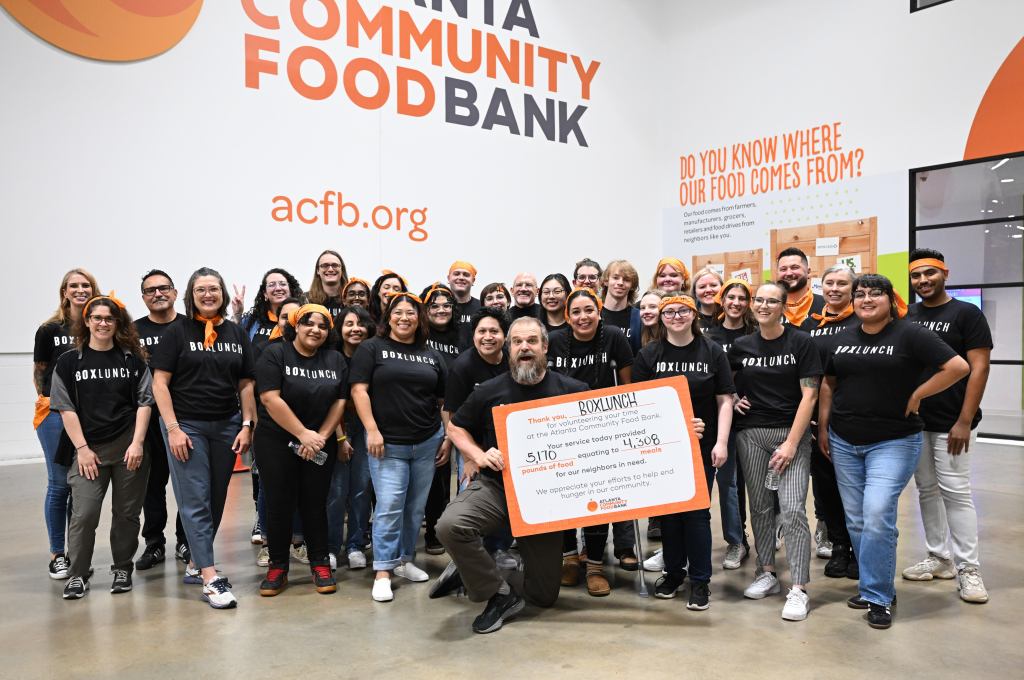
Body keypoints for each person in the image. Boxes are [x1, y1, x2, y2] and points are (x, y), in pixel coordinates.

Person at [818, 273, 968, 629]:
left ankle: (879, 595)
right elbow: (828, 383)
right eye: (860, 294)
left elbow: (958, 367)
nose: (866, 300)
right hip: (844, 439)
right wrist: (823, 428)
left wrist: (918, 394)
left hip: (894, 440)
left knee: (877, 512)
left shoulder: (910, 333)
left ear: (890, 300)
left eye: (875, 294)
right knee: (857, 519)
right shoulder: (840, 339)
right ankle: (876, 583)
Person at [436, 317, 589, 633]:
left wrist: (683, 427)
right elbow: (456, 427)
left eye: (532, 341)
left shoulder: (574, 390)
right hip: (497, 487)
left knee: (544, 597)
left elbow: (608, 434)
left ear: (545, 347)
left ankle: (476, 571)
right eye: (517, 342)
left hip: (547, 498)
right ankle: (498, 592)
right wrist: (478, 455)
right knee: (451, 526)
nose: (524, 348)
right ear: (509, 350)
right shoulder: (489, 391)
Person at [150, 267, 257, 610]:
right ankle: (211, 578)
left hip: (227, 426)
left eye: (213, 289)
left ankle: (197, 562)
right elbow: (159, 383)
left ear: (223, 294)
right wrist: (173, 429)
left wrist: (247, 425)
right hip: (188, 427)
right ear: (191, 295)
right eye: (201, 290)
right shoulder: (177, 332)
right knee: (195, 498)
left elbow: (245, 384)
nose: (208, 295)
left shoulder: (235, 333)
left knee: (215, 496)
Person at [903, 249, 992, 603]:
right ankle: (940, 558)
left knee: (956, 491)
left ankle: (969, 568)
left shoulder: (967, 314)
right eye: (916, 276)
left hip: (954, 422)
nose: (923, 281)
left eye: (930, 273)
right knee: (926, 488)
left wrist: (965, 421)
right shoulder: (908, 316)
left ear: (945, 274)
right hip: (917, 421)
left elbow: (979, 367)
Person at [50, 294, 153, 599]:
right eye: (97, 318)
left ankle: (122, 567)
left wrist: (137, 443)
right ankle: (78, 573)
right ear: (87, 321)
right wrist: (81, 448)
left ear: (117, 323)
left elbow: (145, 402)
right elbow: (66, 408)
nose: (103, 323)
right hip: (87, 451)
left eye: (109, 318)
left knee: (126, 513)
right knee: (85, 514)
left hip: (128, 448)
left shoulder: (132, 359)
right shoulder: (69, 361)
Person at [349, 291, 449, 602]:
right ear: (388, 316)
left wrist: (446, 435)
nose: (404, 318)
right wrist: (372, 430)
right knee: (389, 506)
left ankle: (405, 561)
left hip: (426, 442)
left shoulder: (432, 355)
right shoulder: (372, 349)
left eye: (411, 313)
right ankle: (383, 570)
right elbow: (359, 390)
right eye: (398, 312)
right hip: (387, 444)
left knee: (414, 508)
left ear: (419, 319)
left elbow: (444, 400)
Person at [633, 294, 732, 610]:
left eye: (683, 311)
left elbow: (724, 400)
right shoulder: (649, 355)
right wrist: (673, 427)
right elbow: (638, 404)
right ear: (661, 318)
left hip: (702, 447)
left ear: (694, 315)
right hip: (662, 448)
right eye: (669, 312)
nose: (676, 316)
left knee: (697, 514)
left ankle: (701, 582)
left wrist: (722, 442)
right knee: (669, 515)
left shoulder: (712, 351)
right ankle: (674, 573)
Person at [731, 282, 822, 621]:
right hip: (751, 434)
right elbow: (728, 386)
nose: (764, 305)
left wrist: (791, 443)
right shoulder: (741, 346)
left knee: (794, 508)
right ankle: (766, 571)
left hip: (790, 434)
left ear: (784, 306)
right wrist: (734, 399)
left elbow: (809, 396)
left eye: (772, 301)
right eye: (759, 300)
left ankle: (798, 588)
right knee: (760, 507)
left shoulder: (801, 342)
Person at [548, 288, 636, 596]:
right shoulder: (555, 340)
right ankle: (570, 558)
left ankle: (596, 564)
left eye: (589, 310)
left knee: (600, 499)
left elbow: (626, 385)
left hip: (603, 430)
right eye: (576, 312)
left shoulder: (613, 336)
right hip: (563, 429)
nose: (583, 317)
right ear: (567, 316)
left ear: (599, 311)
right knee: (566, 496)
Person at [255, 304, 348, 596]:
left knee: (315, 503)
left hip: (319, 442)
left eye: (322, 326)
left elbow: (341, 402)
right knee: (278, 504)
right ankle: (278, 566)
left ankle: (319, 562)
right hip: (276, 442)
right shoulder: (275, 354)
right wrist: (302, 434)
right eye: (309, 323)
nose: (315, 330)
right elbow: (270, 398)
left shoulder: (336, 359)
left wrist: (319, 436)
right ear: (296, 325)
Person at [35, 268, 99, 579]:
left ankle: (78, 553)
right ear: (65, 291)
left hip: (89, 416)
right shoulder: (49, 330)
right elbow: (40, 372)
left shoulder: (97, 326)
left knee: (82, 487)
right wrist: (49, 404)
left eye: (85, 285)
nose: (80, 289)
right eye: (74, 285)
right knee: (59, 485)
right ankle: (57, 554)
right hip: (54, 416)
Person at [799, 265, 859, 578]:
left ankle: (859, 549)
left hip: (853, 415)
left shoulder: (863, 319)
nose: (834, 289)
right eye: (829, 283)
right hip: (816, 419)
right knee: (826, 489)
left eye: (841, 284)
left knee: (855, 488)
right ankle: (838, 546)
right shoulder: (810, 324)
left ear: (853, 288)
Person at [133, 270, 189, 571]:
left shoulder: (188, 326)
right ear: (143, 297)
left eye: (163, 288)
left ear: (175, 292)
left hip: (186, 417)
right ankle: (154, 543)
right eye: (150, 290)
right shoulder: (132, 331)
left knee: (186, 483)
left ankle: (185, 540)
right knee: (152, 485)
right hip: (147, 418)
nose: (157, 294)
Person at [704, 278, 755, 571]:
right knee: (727, 482)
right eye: (730, 297)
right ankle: (735, 540)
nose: (735, 303)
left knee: (744, 484)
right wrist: (731, 398)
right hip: (719, 416)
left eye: (741, 298)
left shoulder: (756, 334)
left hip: (752, 418)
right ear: (722, 301)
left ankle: (742, 539)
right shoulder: (709, 337)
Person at [326, 305, 375, 570]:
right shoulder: (331, 358)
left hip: (366, 427)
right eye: (349, 323)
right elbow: (329, 402)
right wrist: (340, 438)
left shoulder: (373, 355)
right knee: (336, 490)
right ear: (339, 328)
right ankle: (332, 548)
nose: (355, 329)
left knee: (361, 488)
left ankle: (355, 544)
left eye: (360, 324)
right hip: (337, 427)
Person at [441, 307, 510, 491]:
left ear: (504, 336)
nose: (488, 337)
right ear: (473, 336)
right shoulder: (461, 367)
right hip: (472, 443)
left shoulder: (512, 360)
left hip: (504, 443)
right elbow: (453, 418)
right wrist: (469, 459)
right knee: (472, 490)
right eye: (482, 331)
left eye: (494, 331)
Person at [421, 284, 461, 554]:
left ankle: (463, 529)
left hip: (464, 411)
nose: (441, 310)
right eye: (434, 305)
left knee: (466, 476)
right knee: (438, 475)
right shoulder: (419, 336)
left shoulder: (463, 334)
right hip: (432, 415)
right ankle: (435, 533)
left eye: (446, 305)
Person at [233, 268, 304, 358]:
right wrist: (237, 314)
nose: (278, 288)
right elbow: (232, 340)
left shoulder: (302, 320)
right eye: (271, 285)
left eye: (282, 284)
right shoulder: (251, 321)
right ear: (265, 294)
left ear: (290, 290)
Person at [600, 260, 643, 354]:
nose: (620, 283)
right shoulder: (594, 314)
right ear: (606, 281)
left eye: (626, 280)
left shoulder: (638, 317)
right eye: (615, 278)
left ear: (632, 286)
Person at [776, 247, 825, 327]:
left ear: (808, 272)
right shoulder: (770, 307)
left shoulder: (826, 305)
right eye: (783, 269)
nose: (788, 273)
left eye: (794, 267)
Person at [307, 249, 350, 319]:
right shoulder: (306, 300)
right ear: (318, 270)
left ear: (342, 270)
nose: (330, 269)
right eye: (325, 265)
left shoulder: (353, 300)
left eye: (335, 265)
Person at [447, 261, 480, 348]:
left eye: (466, 275)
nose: (461, 277)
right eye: (456, 274)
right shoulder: (439, 308)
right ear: (448, 278)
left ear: (473, 280)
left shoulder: (481, 308)